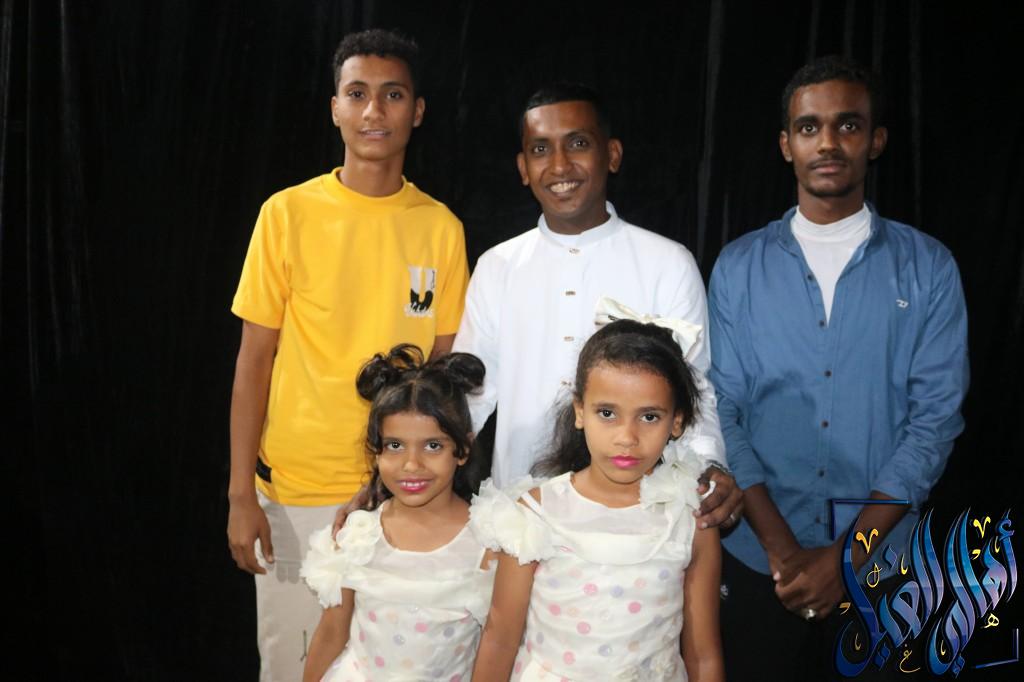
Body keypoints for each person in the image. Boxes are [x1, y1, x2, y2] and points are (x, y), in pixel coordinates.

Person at [708, 55, 968, 679]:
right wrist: (782, 551)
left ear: (875, 141)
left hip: (886, 567)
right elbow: (723, 410)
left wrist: (848, 557)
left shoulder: (928, 267)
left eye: (847, 125)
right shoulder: (737, 267)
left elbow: (934, 422)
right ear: (786, 145)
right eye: (809, 127)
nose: (827, 142)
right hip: (759, 562)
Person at [226, 29, 469, 680]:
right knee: (293, 666)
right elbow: (253, 362)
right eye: (357, 94)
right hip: (295, 494)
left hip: (400, 493)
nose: (374, 111)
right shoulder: (287, 214)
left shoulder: (441, 228)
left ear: (417, 111)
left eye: (393, 95)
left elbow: (441, 380)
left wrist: (402, 481)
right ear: (335, 107)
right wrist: (240, 494)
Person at [452, 82, 742, 530]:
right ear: (523, 168)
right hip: (522, 516)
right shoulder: (497, 266)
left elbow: (693, 390)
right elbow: (467, 397)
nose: (559, 165)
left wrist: (710, 466)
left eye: (578, 144)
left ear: (612, 154)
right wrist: (406, 466)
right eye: (541, 149)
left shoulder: (667, 262)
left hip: (639, 521)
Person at [471, 318, 724, 681]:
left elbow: (703, 656)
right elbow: (499, 640)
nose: (626, 437)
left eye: (649, 417)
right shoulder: (534, 514)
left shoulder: (691, 519)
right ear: (580, 411)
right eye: (607, 413)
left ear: (677, 421)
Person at [300, 345, 495, 682]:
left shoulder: (488, 541)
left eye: (433, 446)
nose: (411, 464)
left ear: (462, 449)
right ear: (376, 450)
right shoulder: (357, 536)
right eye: (395, 445)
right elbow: (331, 634)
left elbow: (498, 646)